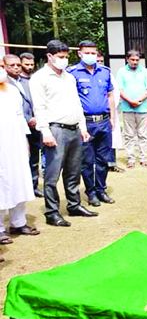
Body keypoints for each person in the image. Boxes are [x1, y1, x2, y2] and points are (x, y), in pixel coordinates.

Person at [30, 40, 97, 226]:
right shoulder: (40, 78)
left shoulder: (69, 77)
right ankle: (52, 212)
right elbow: (39, 107)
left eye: (67, 57)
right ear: (49, 56)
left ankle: (74, 205)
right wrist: (45, 131)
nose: (64, 60)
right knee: (52, 174)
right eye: (60, 57)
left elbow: (77, 103)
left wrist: (82, 127)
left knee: (74, 171)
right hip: (55, 129)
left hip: (74, 128)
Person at [68, 41, 116, 207]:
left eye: (93, 53)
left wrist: (112, 117)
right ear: (79, 54)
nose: (91, 56)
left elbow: (110, 95)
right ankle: (91, 192)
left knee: (103, 159)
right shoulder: (72, 73)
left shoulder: (105, 72)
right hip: (86, 123)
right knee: (87, 161)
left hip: (103, 121)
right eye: (87, 53)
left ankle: (101, 189)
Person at [0, 65, 40, 247]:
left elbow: (20, 118)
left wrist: (25, 142)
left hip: (15, 144)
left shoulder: (13, 91)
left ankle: (19, 223)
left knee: (18, 181)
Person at [5, 54, 43, 197]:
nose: (16, 68)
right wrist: (27, 119)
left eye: (17, 65)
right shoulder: (5, 84)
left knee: (34, 157)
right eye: (12, 65)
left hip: (34, 126)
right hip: (16, 127)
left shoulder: (27, 81)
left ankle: (32, 186)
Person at [117, 49, 147, 168]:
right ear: (127, 59)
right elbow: (119, 89)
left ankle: (143, 157)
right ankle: (130, 158)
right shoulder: (122, 72)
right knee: (129, 134)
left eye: (137, 60)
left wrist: (139, 100)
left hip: (142, 108)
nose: (135, 62)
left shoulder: (145, 71)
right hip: (127, 108)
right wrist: (130, 101)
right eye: (132, 60)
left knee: (142, 134)